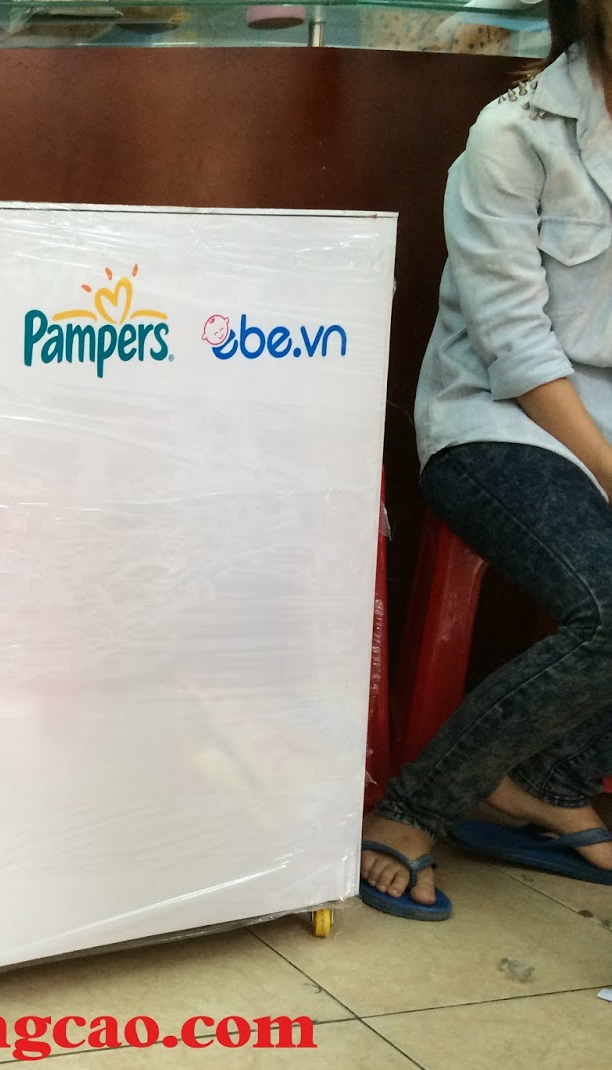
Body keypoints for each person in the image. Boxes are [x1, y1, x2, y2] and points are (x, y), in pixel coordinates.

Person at [361, 0, 612, 920]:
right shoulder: (513, 135)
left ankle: (551, 781)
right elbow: (518, 351)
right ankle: (412, 810)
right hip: (499, 422)